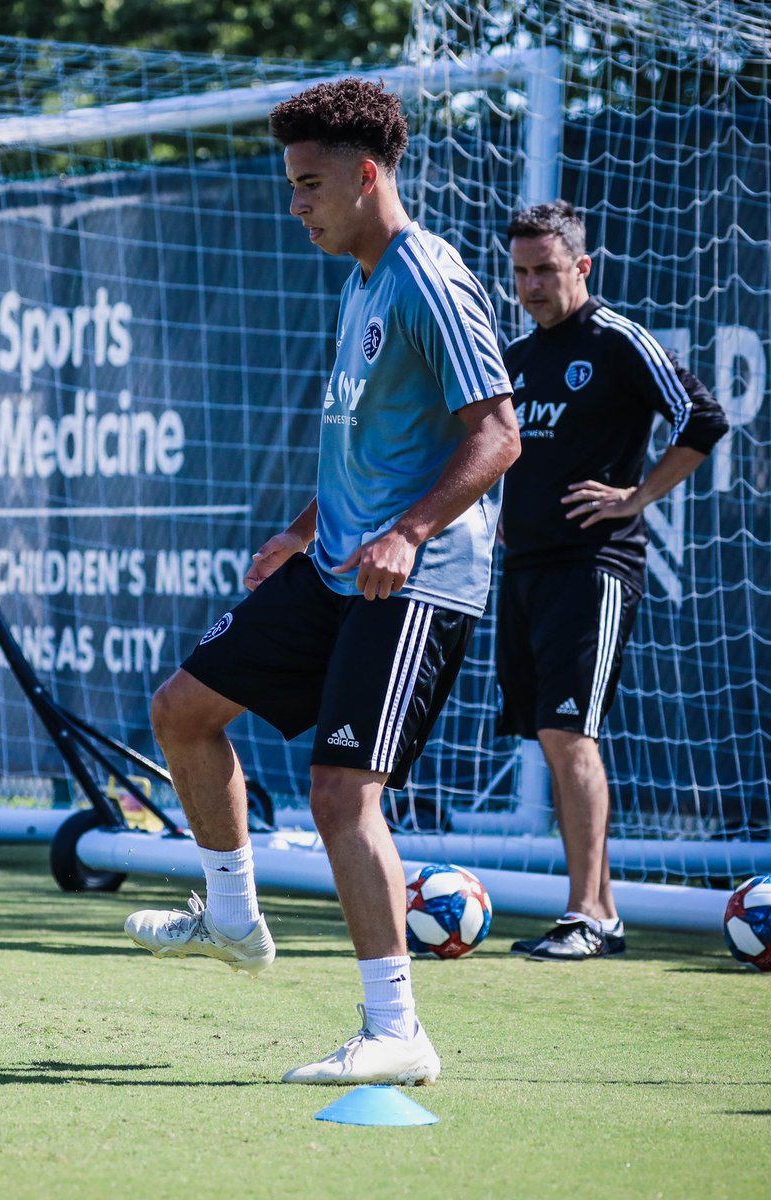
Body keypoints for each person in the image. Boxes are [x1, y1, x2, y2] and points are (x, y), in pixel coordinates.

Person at [124, 78, 519, 1085]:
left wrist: (412, 533)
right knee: (181, 710)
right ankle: (231, 917)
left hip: (414, 581)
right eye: (291, 184)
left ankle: (397, 1034)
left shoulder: (429, 276)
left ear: (366, 174)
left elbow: (498, 433)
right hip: (339, 568)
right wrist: (303, 530)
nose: (294, 203)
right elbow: (377, 441)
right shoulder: (362, 280)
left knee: (343, 794)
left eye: (307, 184)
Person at [499, 201, 728, 961]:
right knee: (553, 736)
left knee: (571, 732)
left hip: (592, 567)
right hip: (526, 567)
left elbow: (703, 418)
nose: (533, 285)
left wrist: (636, 497)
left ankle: (588, 917)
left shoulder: (617, 340)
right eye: (522, 271)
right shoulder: (518, 355)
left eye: (547, 269)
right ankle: (598, 910)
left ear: (582, 267)